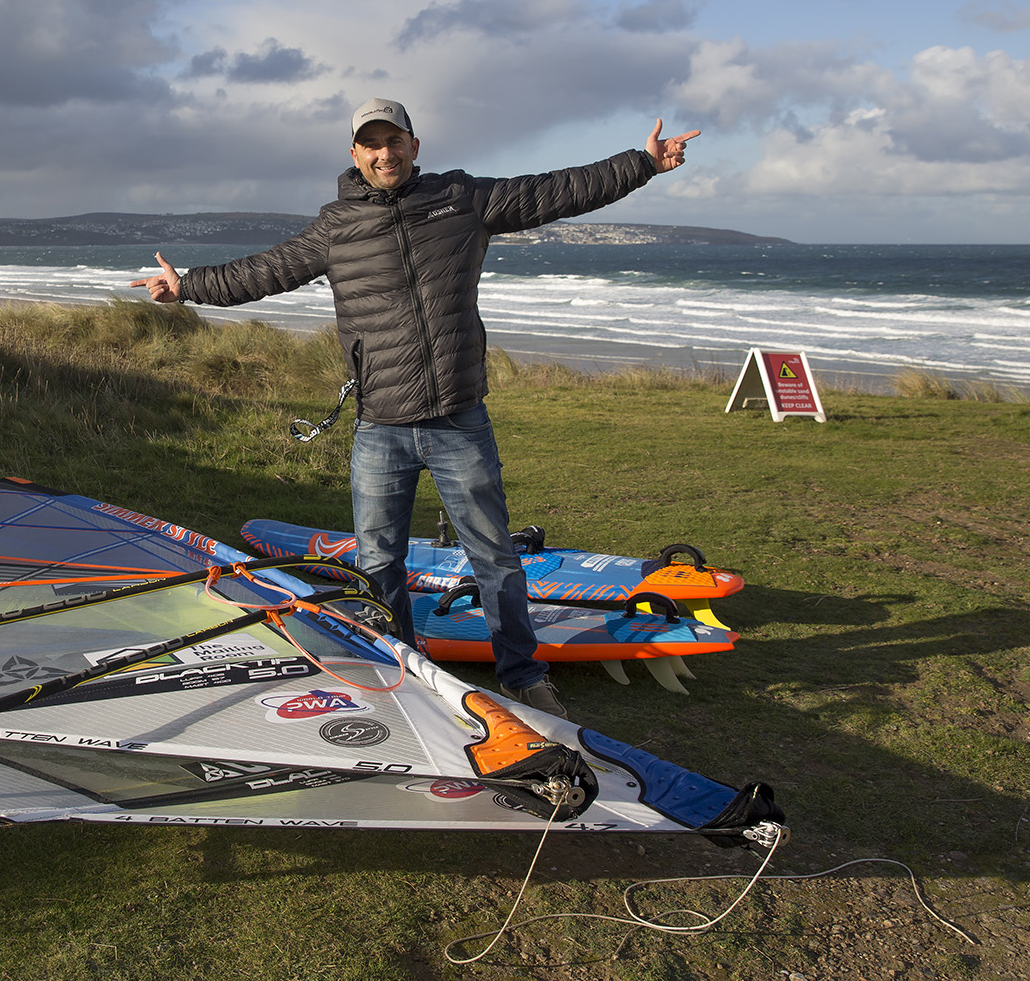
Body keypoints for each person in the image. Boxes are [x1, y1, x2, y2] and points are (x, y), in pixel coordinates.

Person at [131, 98, 694, 718]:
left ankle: (523, 674)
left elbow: (555, 192)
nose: (384, 153)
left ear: (413, 146)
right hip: (381, 425)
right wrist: (189, 286)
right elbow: (267, 270)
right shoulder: (336, 226)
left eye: (394, 141)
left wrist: (642, 163)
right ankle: (400, 671)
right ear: (355, 154)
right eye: (371, 144)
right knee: (378, 563)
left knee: (495, 558)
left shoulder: (461, 199)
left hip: (458, 417)